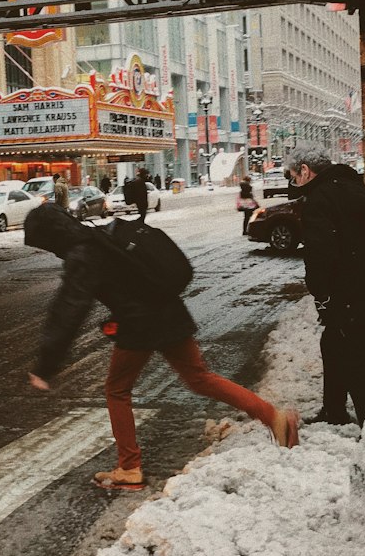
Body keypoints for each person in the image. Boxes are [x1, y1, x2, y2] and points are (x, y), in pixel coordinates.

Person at [24, 205, 298, 491]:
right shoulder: (101, 235)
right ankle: (275, 418)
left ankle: (129, 468)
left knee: (117, 390)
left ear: (51, 237)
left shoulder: (82, 254)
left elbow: (68, 309)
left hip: (139, 324)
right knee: (200, 378)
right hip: (169, 311)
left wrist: (46, 365)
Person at [287, 146, 365, 427]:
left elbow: (321, 253)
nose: (293, 181)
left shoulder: (319, 199)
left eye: (293, 175)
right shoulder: (353, 187)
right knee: (335, 344)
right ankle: (334, 411)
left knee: (351, 357)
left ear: (305, 171)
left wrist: (322, 294)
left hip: (347, 291)